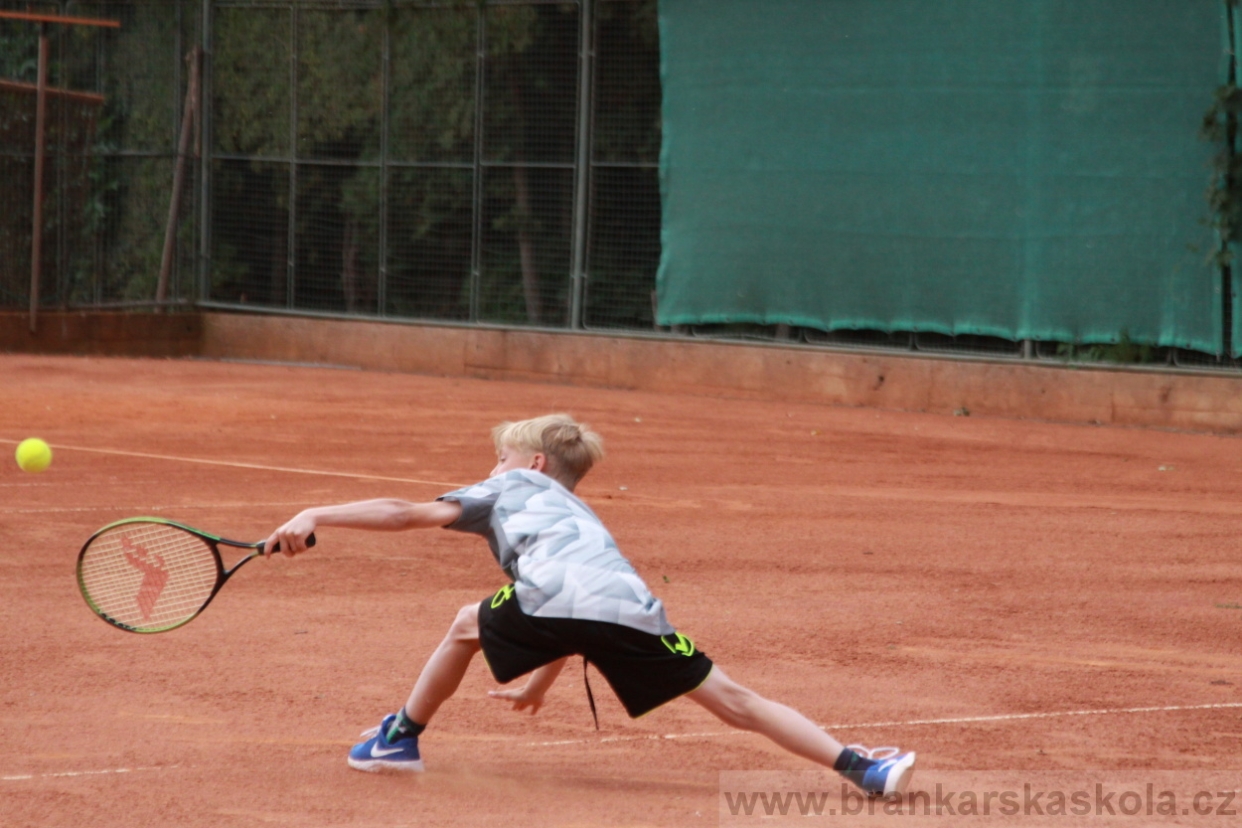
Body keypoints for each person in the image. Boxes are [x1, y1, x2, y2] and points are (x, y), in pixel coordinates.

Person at [264, 413, 915, 798]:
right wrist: (540, 681)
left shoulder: (511, 486)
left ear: (535, 462)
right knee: (737, 701)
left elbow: (406, 513)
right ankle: (864, 769)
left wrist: (315, 512)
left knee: (467, 623)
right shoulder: (580, 512)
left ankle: (398, 740)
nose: (493, 466)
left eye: (501, 456)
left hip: (552, 598)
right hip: (633, 609)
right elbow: (584, 616)